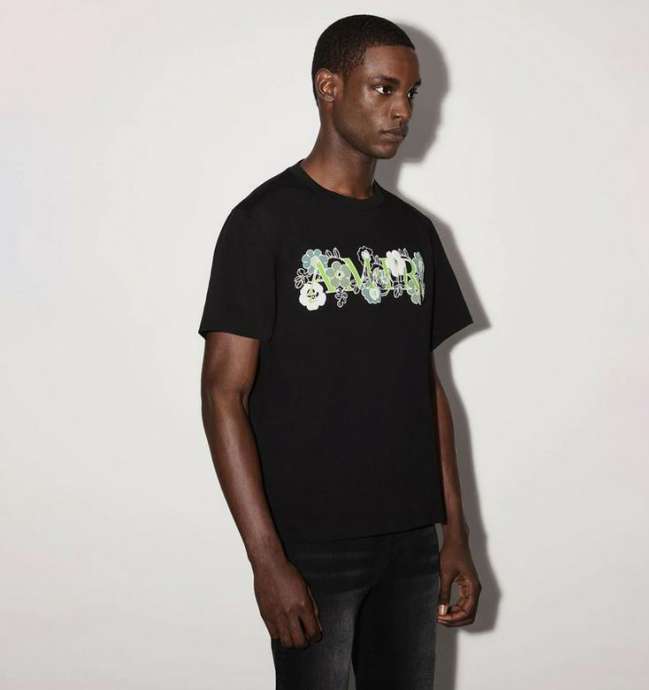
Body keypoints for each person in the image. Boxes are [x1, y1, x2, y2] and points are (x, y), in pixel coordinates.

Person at [197, 14, 481, 690]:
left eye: (411, 94)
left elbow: (426, 386)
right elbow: (223, 394)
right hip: (312, 547)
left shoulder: (415, 232)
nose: (402, 110)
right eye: (384, 88)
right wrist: (267, 560)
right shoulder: (262, 223)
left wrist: (455, 534)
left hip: (412, 542)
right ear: (329, 87)